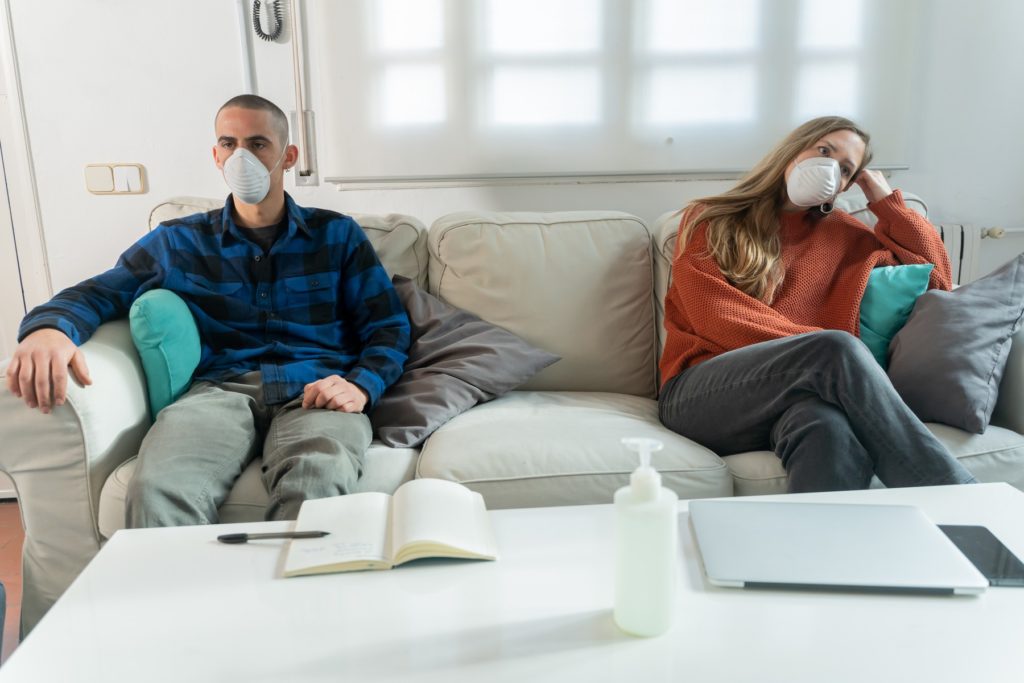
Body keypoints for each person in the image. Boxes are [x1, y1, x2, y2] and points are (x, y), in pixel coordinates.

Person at [5, 94, 411, 524]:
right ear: (216, 156)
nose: (242, 156)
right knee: (158, 490)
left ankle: (286, 591)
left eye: (257, 144)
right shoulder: (179, 241)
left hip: (315, 391)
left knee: (318, 484)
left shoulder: (337, 234)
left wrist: (361, 386)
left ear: (288, 156)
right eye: (229, 143)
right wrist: (48, 330)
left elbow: (388, 326)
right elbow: (100, 292)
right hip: (219, 392)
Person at [658, 116, 976, 492]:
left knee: (828, 428)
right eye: (824, 152)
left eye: (845, 169)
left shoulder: (847, 235)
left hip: (801, 396)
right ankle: (957, 496)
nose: (830, 168)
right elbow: (718, 317)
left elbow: (937, 282)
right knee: (835, 347)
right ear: (794, 151)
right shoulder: (714, 218)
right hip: (702, 394)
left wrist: (887, 205)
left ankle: (817, 547)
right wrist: (820, 356)